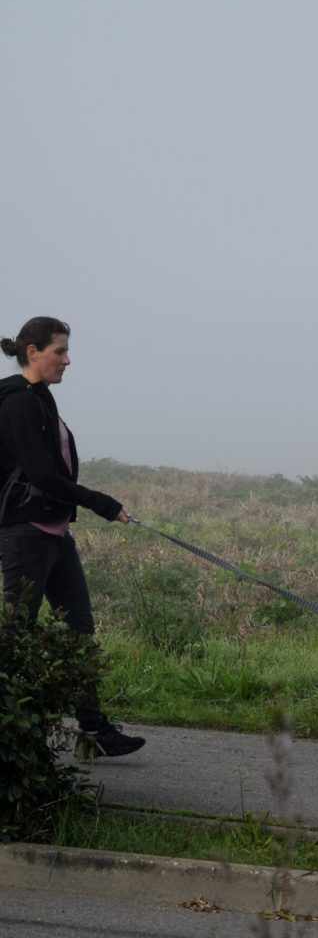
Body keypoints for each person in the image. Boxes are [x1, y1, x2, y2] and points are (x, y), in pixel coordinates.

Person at [0, 317, 145, 757]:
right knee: (18, 635)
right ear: (33, 353)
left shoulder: (39, 398)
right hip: (26, 533)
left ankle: (93, 731)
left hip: (55, 532)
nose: (67, 359)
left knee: (77, 629)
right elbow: (44, 474)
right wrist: (99, 502)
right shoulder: (19, 403)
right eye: (59, 351)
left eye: (66, 351)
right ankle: (15, 737)